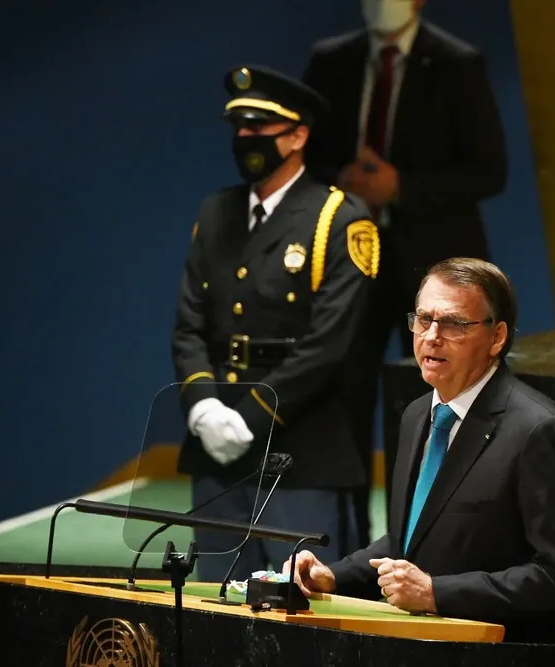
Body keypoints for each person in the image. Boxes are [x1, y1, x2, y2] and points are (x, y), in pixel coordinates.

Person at [283, 258, 555, 644]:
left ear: (497, 337)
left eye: (453, 324)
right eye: (423, 319)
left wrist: (436, 593)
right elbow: (410, 539)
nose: (431, 336)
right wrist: (334, 575)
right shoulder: (417, 416)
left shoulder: (538, 431)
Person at [301, 0, 510, 549]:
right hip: (349, 263)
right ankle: (345, 542)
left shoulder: (456, 62)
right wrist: (340, 180)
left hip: (433, 266)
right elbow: (305, 156)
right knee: (343, 395)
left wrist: (402, 189)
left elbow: (490, 168)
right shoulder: (332, 61)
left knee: (427, 397)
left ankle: (419, 539)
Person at [171, 64, 379, 582]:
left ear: (298, 135)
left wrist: (251, 418)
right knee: (212, 606)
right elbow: (189, 327)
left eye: (259, 128)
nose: (245, 139)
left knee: (300, 609)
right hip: (217, 446)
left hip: (299, 447)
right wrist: (202, 408)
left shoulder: (339, 219)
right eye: (239, 128)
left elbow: (329, 345)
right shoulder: (216, 213)